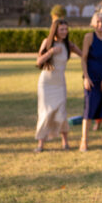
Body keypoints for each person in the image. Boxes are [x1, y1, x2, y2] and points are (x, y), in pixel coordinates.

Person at [34, 19, 82, 152]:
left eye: (66, 29)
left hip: (60, 84)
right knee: (45, 113)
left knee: (61, 113)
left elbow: (83, 54)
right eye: (62, 30)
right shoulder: (47, 42)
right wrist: (51, 52)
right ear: (55, 30)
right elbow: (39, 62)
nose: (65, 32)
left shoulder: (69, 45)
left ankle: (65, 143)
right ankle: (40, 145)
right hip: (46, 84)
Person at [79, 12, 102, 151]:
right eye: (98, 22)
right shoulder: (89, 37)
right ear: (93, 23)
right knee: (88, 109)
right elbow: (83, 58)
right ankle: (84, 140)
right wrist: (86, 78)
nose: (101, 25)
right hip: (91, 77)